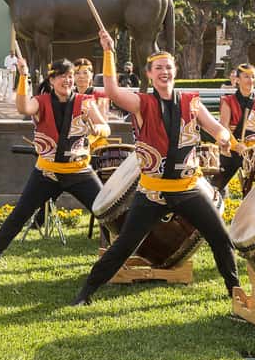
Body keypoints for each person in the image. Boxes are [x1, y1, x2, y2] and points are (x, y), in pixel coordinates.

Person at [71, 32, 241, 306]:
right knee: (125, 245)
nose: (164, 71)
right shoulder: (142, 104)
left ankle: (235, 291)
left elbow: (215, 127)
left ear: (176, 72)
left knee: (220, 237)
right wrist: (108, 52)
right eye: (158, 68)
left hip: (188, 188)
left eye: (168, 67)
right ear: (149, 75)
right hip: (152, 193)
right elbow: (113, 91)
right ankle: (87, 291)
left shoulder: (191, 102)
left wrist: (223, 138)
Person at [0, 58, 110, 264]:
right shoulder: (41, 102)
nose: (67, 80)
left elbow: (106, 127)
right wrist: (23, 76)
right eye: (61, 76)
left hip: (78, 170)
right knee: (20, 213)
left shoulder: (85, 102)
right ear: (51, 80)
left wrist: (97, 129)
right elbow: (23, 108)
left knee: (107, 209)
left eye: (70, 76)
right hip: (47, 172)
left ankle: (115, 253)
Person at [211, 63, 255, 194]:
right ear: (237, 80)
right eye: (246, 77)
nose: (251, 80)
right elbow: (224, 126)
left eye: (253, 77)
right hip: (231, 149)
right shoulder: (227, 100)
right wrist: (236, 146)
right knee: (216, 186)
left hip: (254, 150)